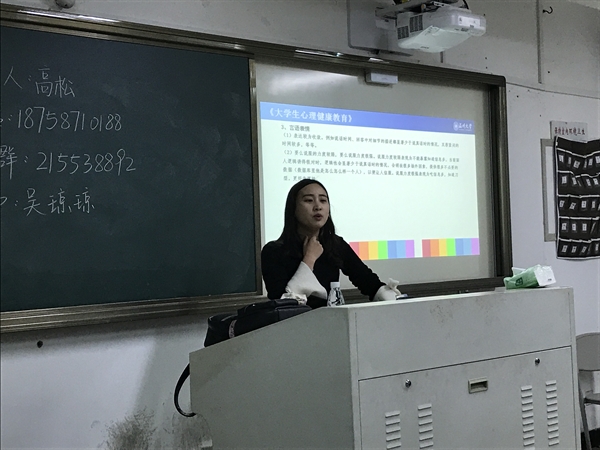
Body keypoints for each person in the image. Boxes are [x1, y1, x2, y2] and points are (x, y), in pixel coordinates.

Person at [261, 178, 398, 309]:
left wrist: (390, 297)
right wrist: (309, 259)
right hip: (295, 323)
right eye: (308, 200)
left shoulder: (335, 244)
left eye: (323, 200)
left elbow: (368, 282)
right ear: (293, 208)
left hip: (332, 321)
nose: (318, 207)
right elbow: (283, 302)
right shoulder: (273, 251)